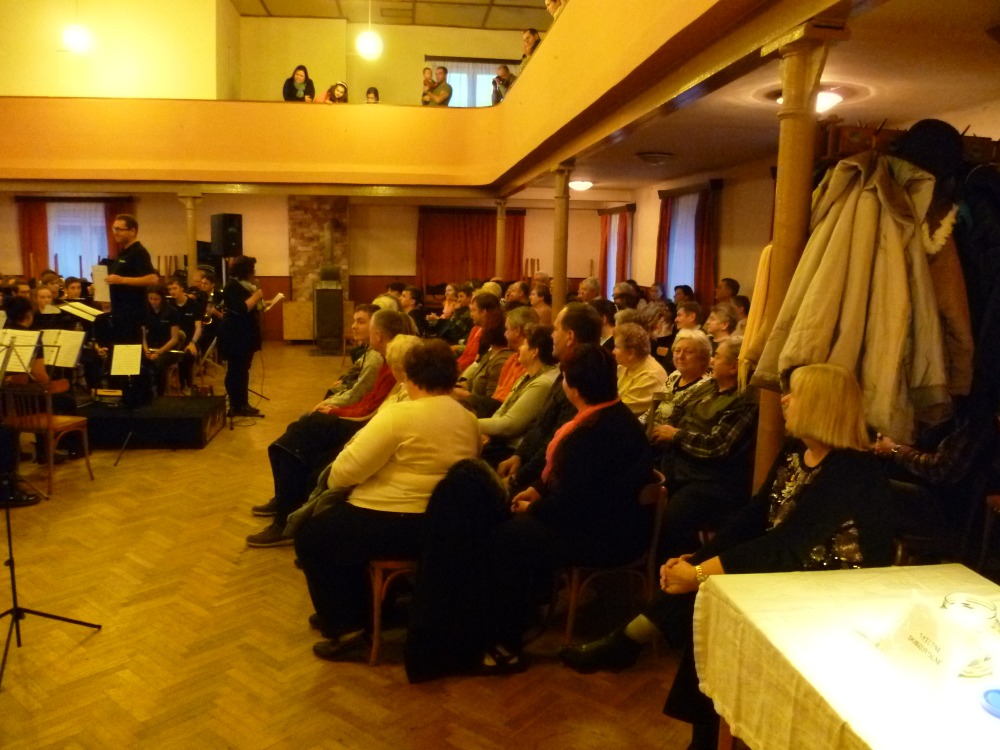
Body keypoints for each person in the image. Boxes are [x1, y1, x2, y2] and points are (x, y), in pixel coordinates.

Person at [559, 364, 895, 750]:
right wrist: (696, 562)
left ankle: (630, 646)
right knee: (709, 603)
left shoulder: (853, 469)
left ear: (822, 405)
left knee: (711, 599)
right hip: (790, 572)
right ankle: (690, 721)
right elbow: (752, 518)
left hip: (833, 596)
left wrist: (700, 573)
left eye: (796, 394)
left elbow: (786, 544)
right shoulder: (795, 451)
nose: (784, 400)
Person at [295, 339, 480, 661]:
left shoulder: (401, 415)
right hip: (441, 523)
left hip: (399, 518)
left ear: (410, 376)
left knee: (312, 536)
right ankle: (373, 609)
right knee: (338, 527)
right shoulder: (467, 418)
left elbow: (343, 473)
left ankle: (348, 626)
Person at [482, 344, 654, 671]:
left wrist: (533, 509)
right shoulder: (614, 415)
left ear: (572, 388)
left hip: (605, 536)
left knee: (505, 537)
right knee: (513, 527)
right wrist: (537, 490)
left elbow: (574, 504)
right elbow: (573, 482)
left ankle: (506, 644)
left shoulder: (591, 434)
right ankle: (527, 606)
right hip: (613, 520)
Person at [246, 309, 412, 547]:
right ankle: (284, 502)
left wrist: (334, 410)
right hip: (360, 419)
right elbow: (367, 401)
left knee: (293, 444)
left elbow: (368, 408)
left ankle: (284, 521)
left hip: (360, 424)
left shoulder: (388, 361)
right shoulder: (384, 358)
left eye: (362, 322)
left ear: (377, 334)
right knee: (288, 441)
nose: (354, 326)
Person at [652, 336, 758, 558]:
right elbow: (677, 411)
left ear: (734, 367)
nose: (711, 361)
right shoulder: (709, 386)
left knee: (670, 520)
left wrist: (675, 435)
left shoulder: (744, 401)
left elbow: (718, 446)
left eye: (717, 357)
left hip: (712, 481)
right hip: (680, 467)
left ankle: (678, 570)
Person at [497, 302, 603, 492]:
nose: (552, 335)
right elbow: (542, 423)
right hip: (533, 468)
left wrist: (518, 480)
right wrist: (519, 456)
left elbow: (556, 445)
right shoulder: (565, 369)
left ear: (570, 336)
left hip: (552, 483)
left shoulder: (584, 378)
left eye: (556, 329)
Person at [478, 323, 558, 466]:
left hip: (513, 452)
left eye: (524, 344)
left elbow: (510, 425)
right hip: (500, 442)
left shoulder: (543, 383)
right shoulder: (527, 375)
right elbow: (501, 411)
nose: (520, 348)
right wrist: (488, 433)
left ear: (534, 352)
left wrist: (467, 422)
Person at [218, 255, 265, 417]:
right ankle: (236, 404)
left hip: (246, 334)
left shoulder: (246, 286)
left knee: (243, 369)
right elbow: (241, 308)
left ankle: (243, 403)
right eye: (252, 269)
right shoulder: (232, 286)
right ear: (245, 271)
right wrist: (257, 296)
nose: (254, 272)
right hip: (235, 335)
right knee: (236, 370)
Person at [107, 214, 158, 343]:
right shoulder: (123, 252)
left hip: (132, 314)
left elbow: (153, 279)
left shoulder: (139, 252)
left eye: (119, 229)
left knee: (129, 351)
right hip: (120, 312)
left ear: (132, 231)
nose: (115, 232)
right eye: (114, 229)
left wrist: (122, 280)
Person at [645, 329, 712, 427]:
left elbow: (684, 425)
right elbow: (653, 409)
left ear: (703, 358)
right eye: (677, 351)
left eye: (688, 352)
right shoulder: (675, 375)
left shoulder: (705, 387)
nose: (680, 356)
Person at [614, 322, 668, 416]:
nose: (613, 351)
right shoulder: (625, 366)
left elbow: (621, 413)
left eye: (617, 347)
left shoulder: (650, 377)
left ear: (631, 353)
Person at [166, 276, 205, 392]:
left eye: (175, 288)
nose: (172, 292)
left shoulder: (194, 305)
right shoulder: (169, 305)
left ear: (182, 288)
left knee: (187, 354)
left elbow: (198, 328)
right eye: (170, 289)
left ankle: (185, 383)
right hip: (174, 340)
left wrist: (193, 343)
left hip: (191, 339)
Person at [142, 285, 181, 397]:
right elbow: (143, 336)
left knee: (158, 364)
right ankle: (144, 392)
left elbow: (174, 339)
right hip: (149, 349)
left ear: (162, 298)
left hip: (167, 350)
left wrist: (158, 352)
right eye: (150, 298)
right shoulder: (145, 312)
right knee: (140, 363)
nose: (153, 302)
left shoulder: (172, 312)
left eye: (156, 299)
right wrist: (146, 351)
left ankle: (160, 394)